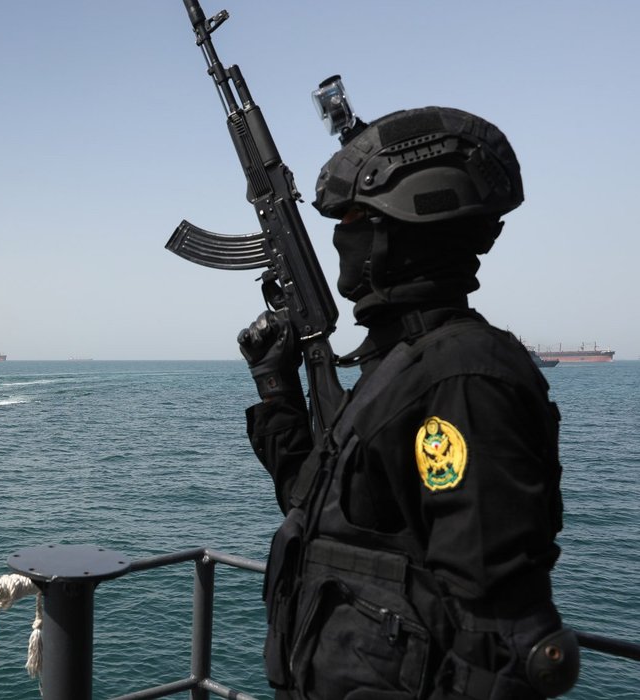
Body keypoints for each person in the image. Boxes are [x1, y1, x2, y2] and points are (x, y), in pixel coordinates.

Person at [238, 106, 578, 699]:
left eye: (352, 218)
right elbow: (318, 508)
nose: (340, 236)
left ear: (400, 232)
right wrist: (277, 390)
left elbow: (494, 636)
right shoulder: (397, 373)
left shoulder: (466, 383)